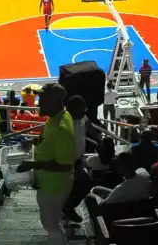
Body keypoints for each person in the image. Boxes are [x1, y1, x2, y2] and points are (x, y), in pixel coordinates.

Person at [16, 83, 75, 245]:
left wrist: (33, 165)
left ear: (55, 102)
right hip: (49, 182)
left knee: (50, 224)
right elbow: (48, 140)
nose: (38, 103)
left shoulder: (62, 128)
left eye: (42, 99)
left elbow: (65, 165)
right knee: (53, 218)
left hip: (54, 186)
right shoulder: (56, 117)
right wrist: (33, 141)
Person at [85, 151, 151, 215]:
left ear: (123, 166)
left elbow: (103, 205)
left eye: (118, 163)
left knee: (89, 196)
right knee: (96, 188)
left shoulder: (121, 188)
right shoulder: (144, 172)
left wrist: (99, 201)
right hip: (137, 204)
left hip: (120, 209)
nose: (116, 165)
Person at [63, 95, 95, 223]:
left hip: (78, 159)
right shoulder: (64, 123)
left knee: (78, 184)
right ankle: (67, 207)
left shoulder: (81, 118)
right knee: (85, 183)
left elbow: (88, 125)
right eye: (81, 112)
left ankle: (66, 206)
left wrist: (98, 140)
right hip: (68, 162)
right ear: (72, 110)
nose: (84, 114)